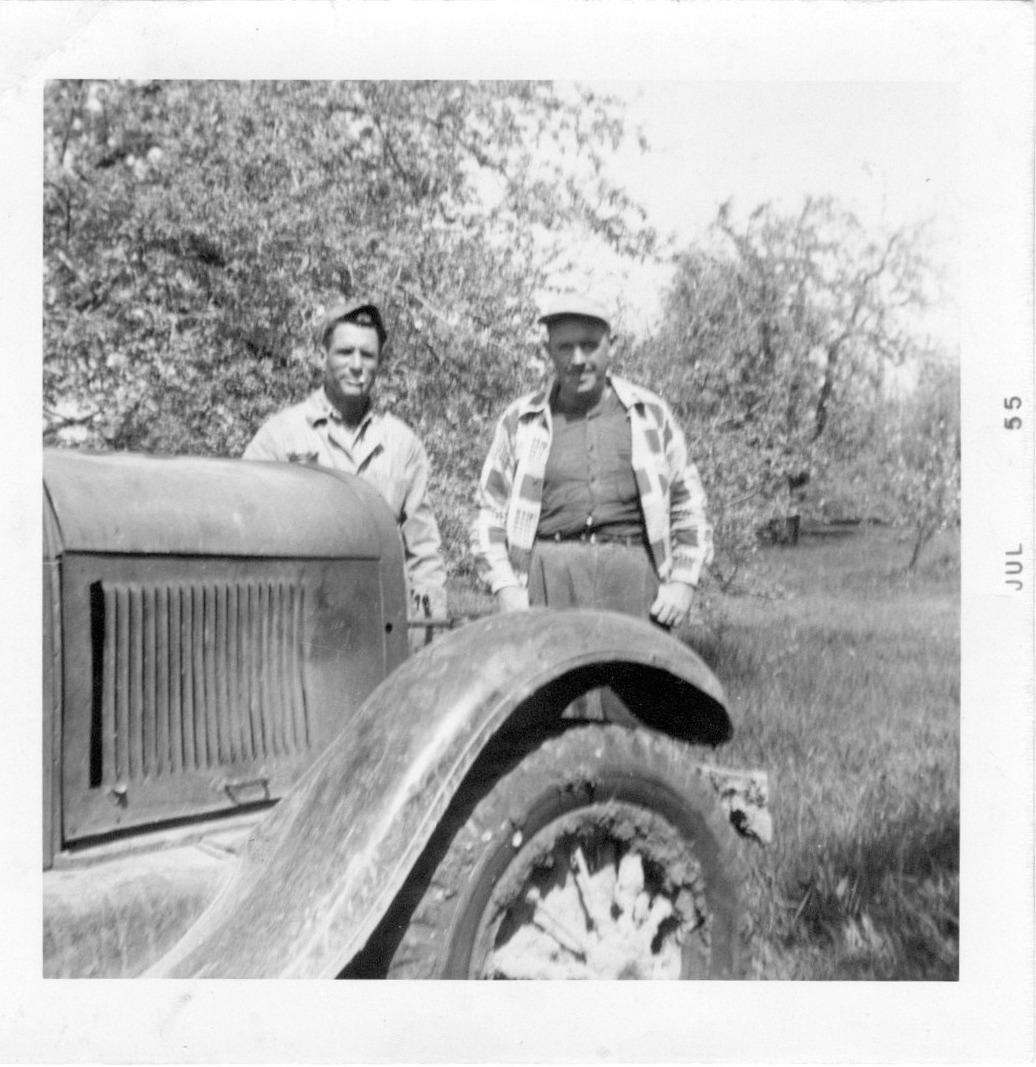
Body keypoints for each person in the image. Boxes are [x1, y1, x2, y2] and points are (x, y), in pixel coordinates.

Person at [471, 294, 712, 632]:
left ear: (611, 346)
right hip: (548, 579)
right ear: (548, 351)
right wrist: (506, 586)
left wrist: (684, 582)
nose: (577, 359)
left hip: (635, 581)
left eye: (589, 345)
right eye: (565, 347)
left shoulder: (650, 415)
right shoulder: (521, 420)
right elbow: (489, 513)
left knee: (631, 682)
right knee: (554, 683)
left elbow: (689, 506)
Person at [244, 298, 448, 619]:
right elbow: (246, 532)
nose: (356, 365)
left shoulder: (401, 445)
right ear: (321, 356)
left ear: (380, 362)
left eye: (367, 355)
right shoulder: (280, 437)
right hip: (299, 616)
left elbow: (423, 550)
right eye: (344, 352)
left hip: (379, 620)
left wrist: (428, 626)